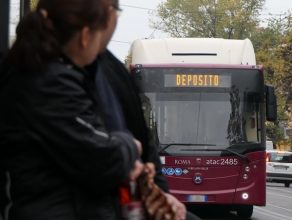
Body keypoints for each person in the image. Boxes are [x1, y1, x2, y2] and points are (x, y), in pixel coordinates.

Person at [0, 0, 145, 219]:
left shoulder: (44, 73)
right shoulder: (52, 83)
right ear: (85, 36)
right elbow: (103, 159)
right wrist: (129, 144)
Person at [93, 1, 200, 219]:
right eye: (114, 10)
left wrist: (161, 194)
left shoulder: (108, 66)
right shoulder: (67, 72)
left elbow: (142, 137)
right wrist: (130, 153)